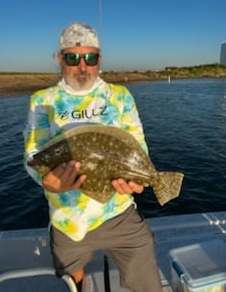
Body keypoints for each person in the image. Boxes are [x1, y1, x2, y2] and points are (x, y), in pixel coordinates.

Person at [24, 21, 162, 292]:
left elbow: (137, 147)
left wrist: (140, 181)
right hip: (68, 217)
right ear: (60, 59)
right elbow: (33, 154)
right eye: (74, 58)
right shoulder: (42, 100)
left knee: (148, 281)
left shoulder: (120, 96)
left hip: (120, 210)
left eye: (91, 57)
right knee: (72, 283)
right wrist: (46, 180)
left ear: (100, 59)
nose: (83, 66)